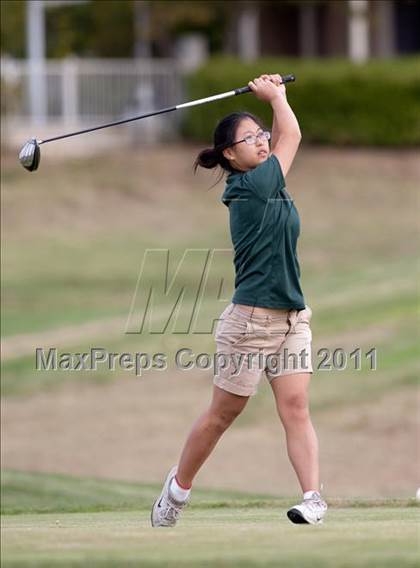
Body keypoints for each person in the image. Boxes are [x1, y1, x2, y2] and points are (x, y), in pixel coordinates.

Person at [151, 74, 328, 527]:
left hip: (292, 318)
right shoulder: (248, 189)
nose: (263, 142)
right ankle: (176, 491)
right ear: (230, 154)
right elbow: (293, 134)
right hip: (250, 323)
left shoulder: (271, 182)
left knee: (296, 408)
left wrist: (271, 105)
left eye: (261, 135)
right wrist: (277, 96)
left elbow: (281, 136)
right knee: (222, 416)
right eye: (250, 139)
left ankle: (312, 498)